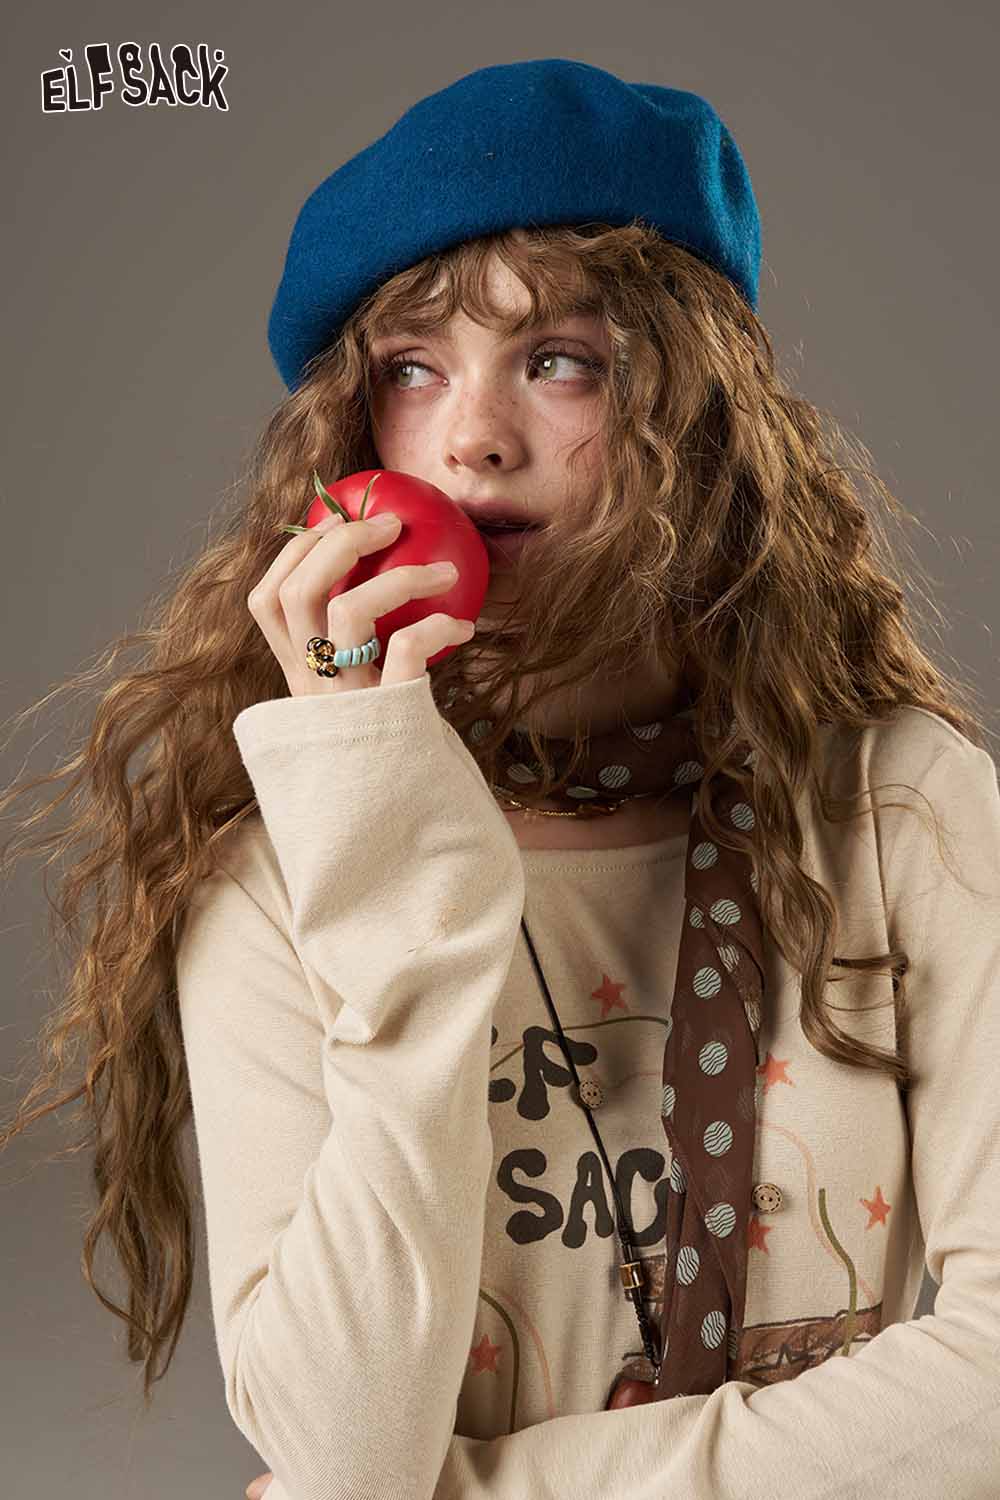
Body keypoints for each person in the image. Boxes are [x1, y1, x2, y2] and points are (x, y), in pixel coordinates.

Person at [1, 57, 998, 1500]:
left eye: (559, 360)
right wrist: (379, 839)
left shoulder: (903, 811)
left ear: (697, 414)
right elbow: (343, 1450)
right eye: (411, 370)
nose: (472, 437)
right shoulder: (283, 871)